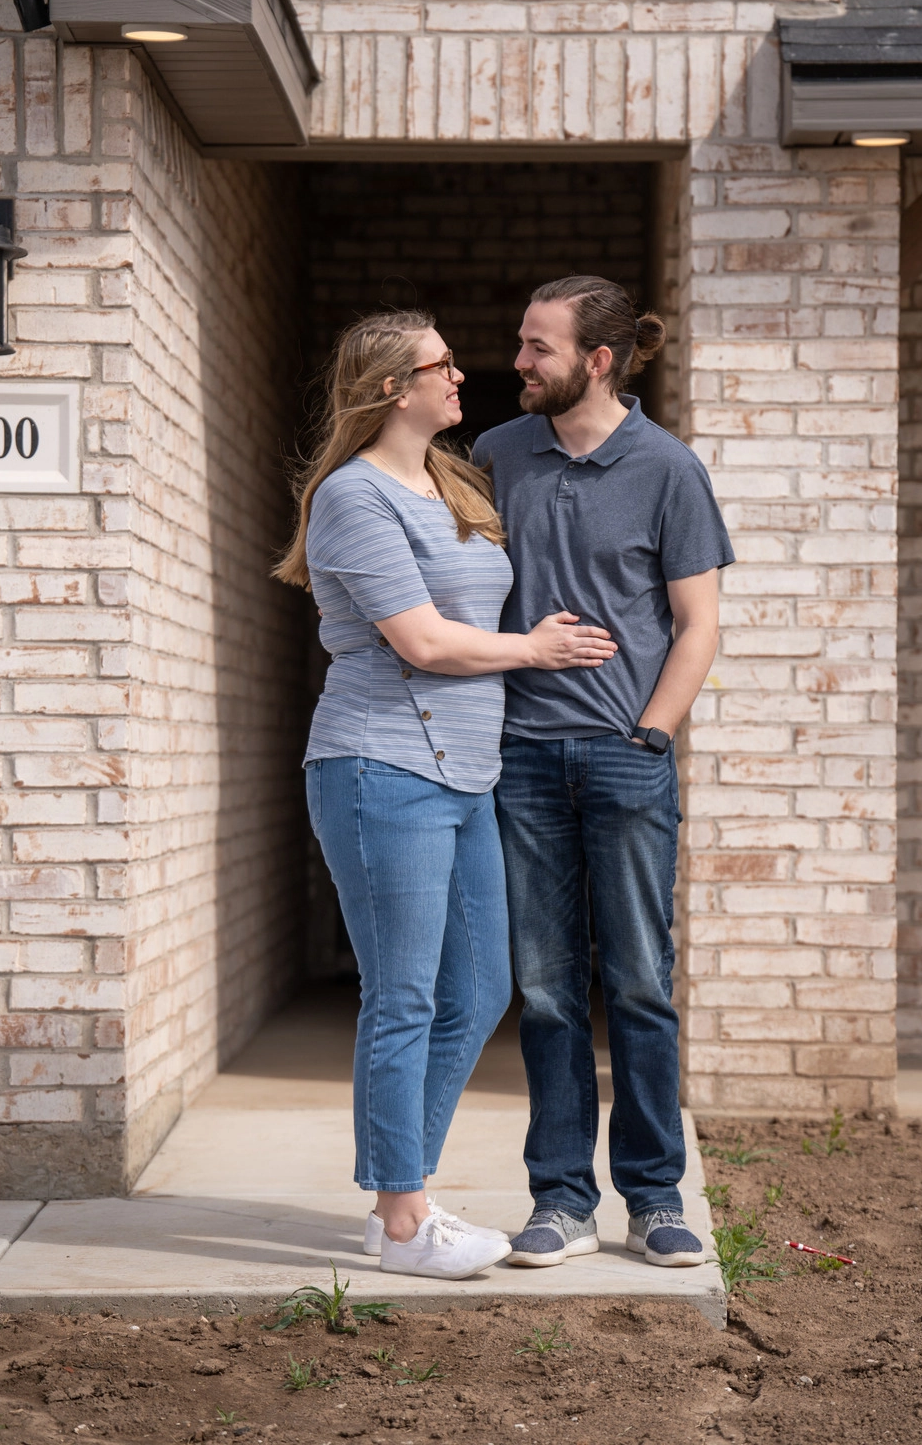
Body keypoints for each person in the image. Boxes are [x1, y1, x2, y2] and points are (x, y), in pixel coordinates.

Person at [274, 309, 616, 1281]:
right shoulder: (354, 497)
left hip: (468, 774)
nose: (461, 376)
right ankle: (400, 1218)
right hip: (382, 766)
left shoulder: (451, 479)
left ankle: (400, 1196)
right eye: (441, 365)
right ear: (393, 387)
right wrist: (534, 648)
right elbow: (420, 641)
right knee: (405, 996)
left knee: (479, 988)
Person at [472, 276, 735, 1269]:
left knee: (636, 986)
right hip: (523, 760)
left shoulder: (667, 468)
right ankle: (561, 1200)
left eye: (537, 346)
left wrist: (650, 735)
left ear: (596, 360)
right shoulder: (497, 455)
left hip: (626, 762)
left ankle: (657, 1199)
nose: (518, 360)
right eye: (520, 340)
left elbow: (697, 624)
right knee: (543, 989)